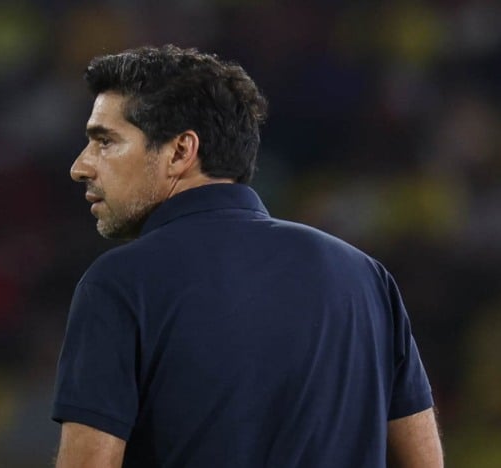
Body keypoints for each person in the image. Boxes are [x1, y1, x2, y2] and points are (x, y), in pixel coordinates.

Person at [51, 45, 442, 468]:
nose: (80, 166)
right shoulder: (365, 277)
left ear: (180, 151)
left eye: (105, 142)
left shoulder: (121, 283)